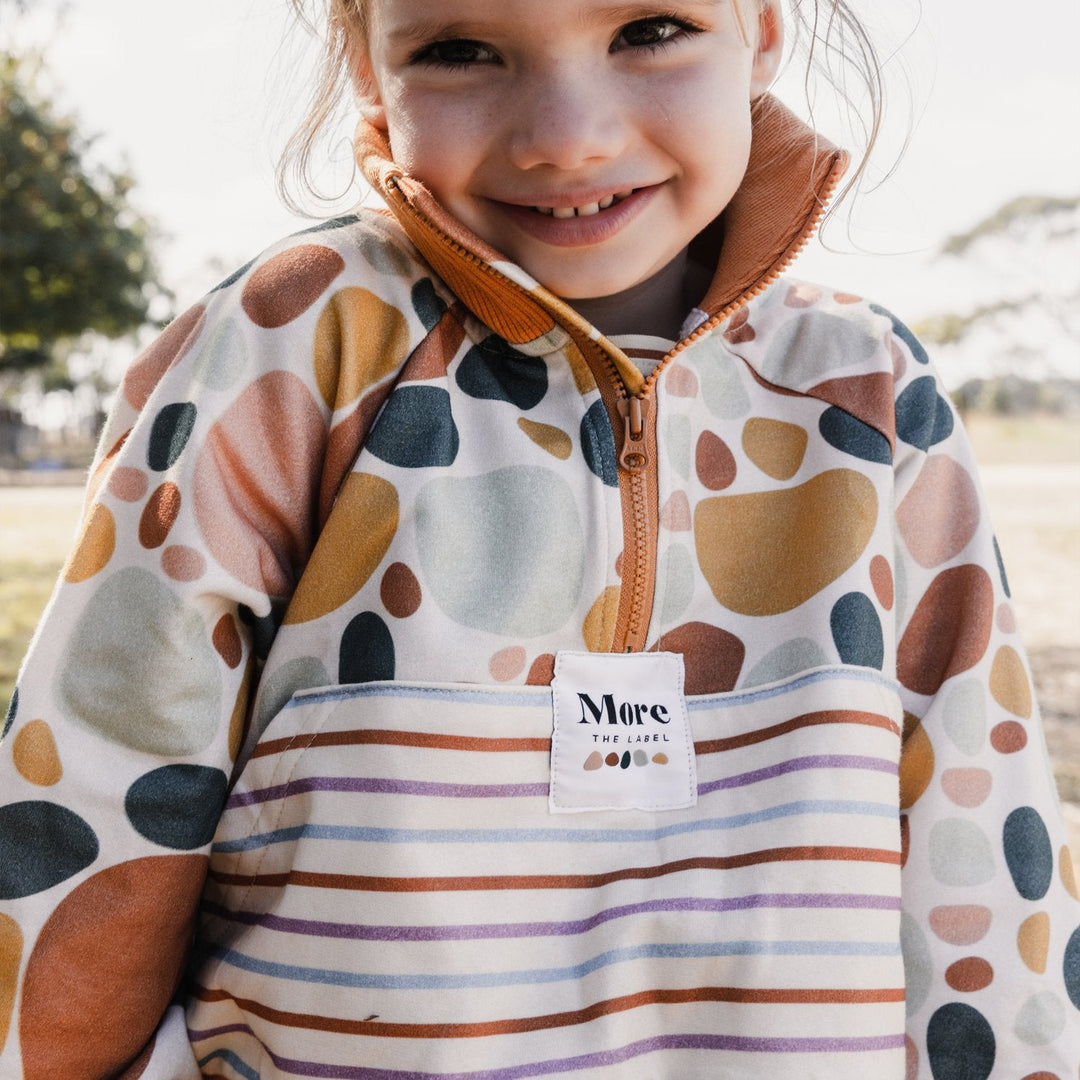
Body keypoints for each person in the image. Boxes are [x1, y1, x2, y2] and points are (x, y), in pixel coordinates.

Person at [1, 0, 1078, 1076]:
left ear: (761, 27)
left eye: (649, 30)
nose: (567, 135)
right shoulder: (289, 348)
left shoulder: (868, 391)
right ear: (369, 69)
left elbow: (982, 844)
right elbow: (94, 804)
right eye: (459, 50)